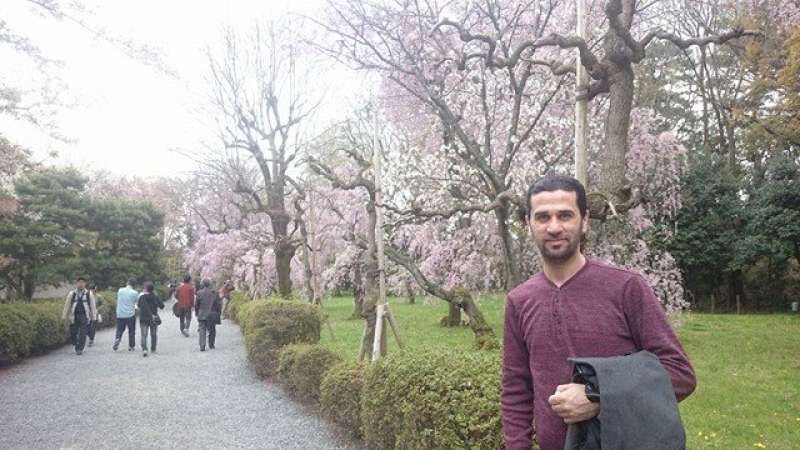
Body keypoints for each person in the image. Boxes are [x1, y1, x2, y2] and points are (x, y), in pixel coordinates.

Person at [501, 175, 697, 450]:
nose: (554, 227)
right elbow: (515, 391)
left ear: (585, 221)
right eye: (543, 217)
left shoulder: (626, 287)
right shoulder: (519, 301)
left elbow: (679, 373)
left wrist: (599, 397)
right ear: (528, 225)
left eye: (565, 215)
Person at [61, 277, 97, 355]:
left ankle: (79, 348)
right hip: (74, 315)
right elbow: (67, 305)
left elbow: (93, 306)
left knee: (83, 332)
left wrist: (94, 317)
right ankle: (75, 342)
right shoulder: (72, 294)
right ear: (76, 284)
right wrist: (64, 316)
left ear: (85, 284)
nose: (81, 284)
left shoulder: (89, 294)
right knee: (73, 331)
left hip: (84, 315)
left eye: (82, 282)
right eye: (79, 282)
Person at [137, 281, 164, 357]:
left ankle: (144, 349)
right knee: (154, 334)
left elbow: (138, 306)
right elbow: (162, 306)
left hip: (144, 318)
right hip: (153, 318)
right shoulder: (155, 296)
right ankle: (153, 348)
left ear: (146, 289)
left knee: (144, 335)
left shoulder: (142, 297)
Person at [195, 278, 222, 351]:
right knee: (212, 329)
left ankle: (202, 345)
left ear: (203, 284)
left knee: (202, 329)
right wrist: (219, 312)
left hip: (202, 314)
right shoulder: (215, 293)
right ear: (210, 284)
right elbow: (219, 304)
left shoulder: (199, 293)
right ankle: (211, 344)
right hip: (212, 313)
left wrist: (197, 312)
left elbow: (197, 304)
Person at [114, 278, 138, 351]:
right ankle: (131, 346)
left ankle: (118, 338)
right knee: (131, 331)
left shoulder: (120, 290)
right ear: (134, 285)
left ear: (127, 282)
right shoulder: (135, 293)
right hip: (130, 314)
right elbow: (136, 303)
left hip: (120, 314)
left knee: (119, 329)